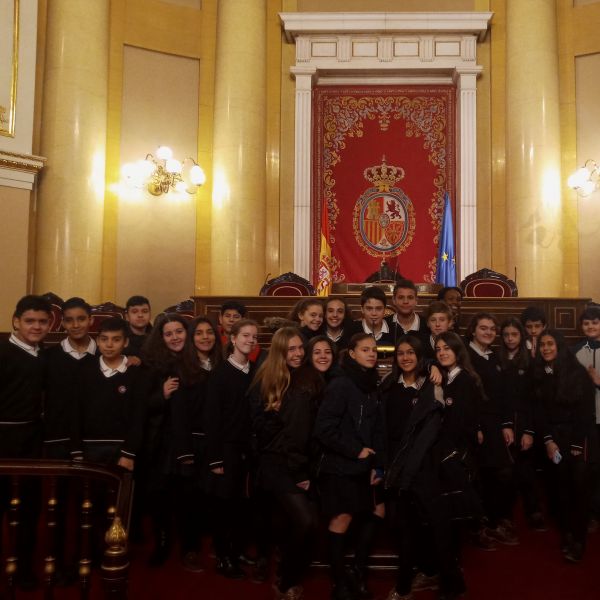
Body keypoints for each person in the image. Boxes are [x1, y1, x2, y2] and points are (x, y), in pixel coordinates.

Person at [383, 333, 480, 600]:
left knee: (438, 526)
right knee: (407, 527)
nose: (405, 357)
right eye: (400, 353)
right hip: (399, 465)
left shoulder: (433, 385)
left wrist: (430, 365)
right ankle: (407, 584)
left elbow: (440, 429)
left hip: (425, 465)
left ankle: (451, 584)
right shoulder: (389, 384)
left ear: (419, 356)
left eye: (411, 353)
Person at [251, 328, 323, 600]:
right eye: (291, 349)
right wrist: (274, 414)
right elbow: (256, 426)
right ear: (280, 352)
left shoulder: (307, 378)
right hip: (276, 463)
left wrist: (303, 468)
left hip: (297, 460)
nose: (298, 353)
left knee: (300, 523)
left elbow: (305, 429)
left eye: (300, 348)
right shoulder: (265, 379)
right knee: (304, 521)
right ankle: (286, 582)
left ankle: (286, 575)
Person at [314, 333, 385, 600]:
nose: (372, 353)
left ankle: (357, 572)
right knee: (342, 518)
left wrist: (377, 464)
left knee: (378, 510)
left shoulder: (371, 384)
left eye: (374, 350)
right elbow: (324, 429)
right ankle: (339, 583)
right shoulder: (341, 383)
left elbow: (376, 428)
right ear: (352, 354)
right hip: (340, 464)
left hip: (364, 464)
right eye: (365, 349)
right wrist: (355, 450)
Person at [0, 295, 52, 590]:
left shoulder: (44, 356)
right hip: (2, 442)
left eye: (42, 322)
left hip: (32, 443)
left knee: (30, 509)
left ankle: (23, 568)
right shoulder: (2, 352)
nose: (36, 326)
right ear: (16, 321)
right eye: (30, 321)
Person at [140, 312, 200, 567]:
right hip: (160, 442)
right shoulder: (151, 365)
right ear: (160, 338)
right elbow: (139, 406)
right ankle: (163, 542)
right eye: (168, 334)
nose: (175, 337)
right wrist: (161, 396)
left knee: (188, 496)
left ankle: (190, 546)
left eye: (179, 332)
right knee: (159, 496)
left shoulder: (197, 361)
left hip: (189, 440)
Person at [534, 329, 598, 562]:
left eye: (550, 344)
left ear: (560, 347)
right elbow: (540, 412)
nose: (546, 348)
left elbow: (585, 413)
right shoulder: (540, 373)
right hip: (555, 438)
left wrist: (576, 445)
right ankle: (568, 535)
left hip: (579, 438)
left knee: (579, 491)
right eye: (542, 344)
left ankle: (579, 541)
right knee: (561, 490)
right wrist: (548, 440)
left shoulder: (577, 373)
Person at [204, 319, 259, 579]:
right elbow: (212, 419)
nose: (250, 340)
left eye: (254, 337)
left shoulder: (255, 371)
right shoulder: (220, 374)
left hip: (248, 449)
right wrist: (215, 458)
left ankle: (237, 550)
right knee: (224, 506)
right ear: (233, 339)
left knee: (243, 505)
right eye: (245, 335)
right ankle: (223, 557)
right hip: (225, 449)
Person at [171, 316, 223, 572]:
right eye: (199, 333)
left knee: (214, 496)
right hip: (191, 441)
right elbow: (178, 413)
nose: (205, 337)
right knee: (189, 499)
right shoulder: (181, 367)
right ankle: (189, 549)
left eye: (209, 332)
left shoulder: (222, 365)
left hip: (217, 441)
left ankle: (216, 543)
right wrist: (184, 452)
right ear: (192, 338)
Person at [465, 313, 518, 546]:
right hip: (475, 424)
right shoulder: (465, 356)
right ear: (473, 330)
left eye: (492, 329)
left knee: (501, 473)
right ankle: (482, 526)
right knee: (480, 476)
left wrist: (507, 424)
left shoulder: (495, 356)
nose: (488, 332)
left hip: (495, 423)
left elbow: (504, 394)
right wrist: (475, 426)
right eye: (483, 328)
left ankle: (494, 520)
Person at [498, 318, 546, 531]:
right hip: (504, 425)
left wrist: (529, 430)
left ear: (521, 336)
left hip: (526, 424)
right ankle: (505, 515)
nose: (510, 338)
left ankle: (533, 511)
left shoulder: (530, 362)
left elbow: (534, 400)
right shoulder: (497, 359)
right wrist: (505, 424)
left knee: (527, 471)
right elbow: (498, 398)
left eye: (514, 334)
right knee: (507, 473)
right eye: (506, 335)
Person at [44, 297, 97, 459]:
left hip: (93, 438)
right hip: (57, 437)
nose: (75, 325)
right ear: (63, 323)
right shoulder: (48, 357)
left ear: (91, 320)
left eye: (81, 319)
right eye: (69, 320)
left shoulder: (105, 356)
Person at [571, 305, 600, 530]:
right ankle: (592, 513)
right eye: (586, 323)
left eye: (595, 322)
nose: (590, 326)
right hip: (586, 420)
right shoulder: (575, 351)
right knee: (590, 468)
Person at [385, 279, 429, 346]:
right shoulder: (384, 324)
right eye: (401, 297)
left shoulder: (427, 325)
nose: (405, 301)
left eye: (410, 297)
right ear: (394, 300)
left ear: (416, 301)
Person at [124, 295, 152, 360]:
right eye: (134, 312)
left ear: (150, 314)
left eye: (145, 311)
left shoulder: (157, 335)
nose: (140, 315)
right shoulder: (120, 336)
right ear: (127, 316)